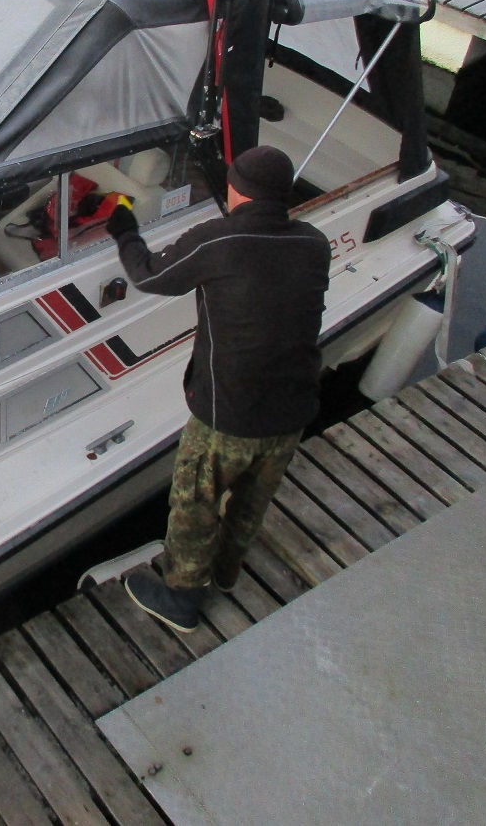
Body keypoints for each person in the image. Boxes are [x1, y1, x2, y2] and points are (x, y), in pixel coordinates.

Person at [104, 145, 330, 632]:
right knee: (250, 501)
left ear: (237, 190)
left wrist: (124, 230)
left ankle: (182, 597)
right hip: (291, 410)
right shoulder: (314, 244)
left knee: (194, 504)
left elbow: (149, 275)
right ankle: (225, 573)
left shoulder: (218, 240)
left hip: (228, 413)